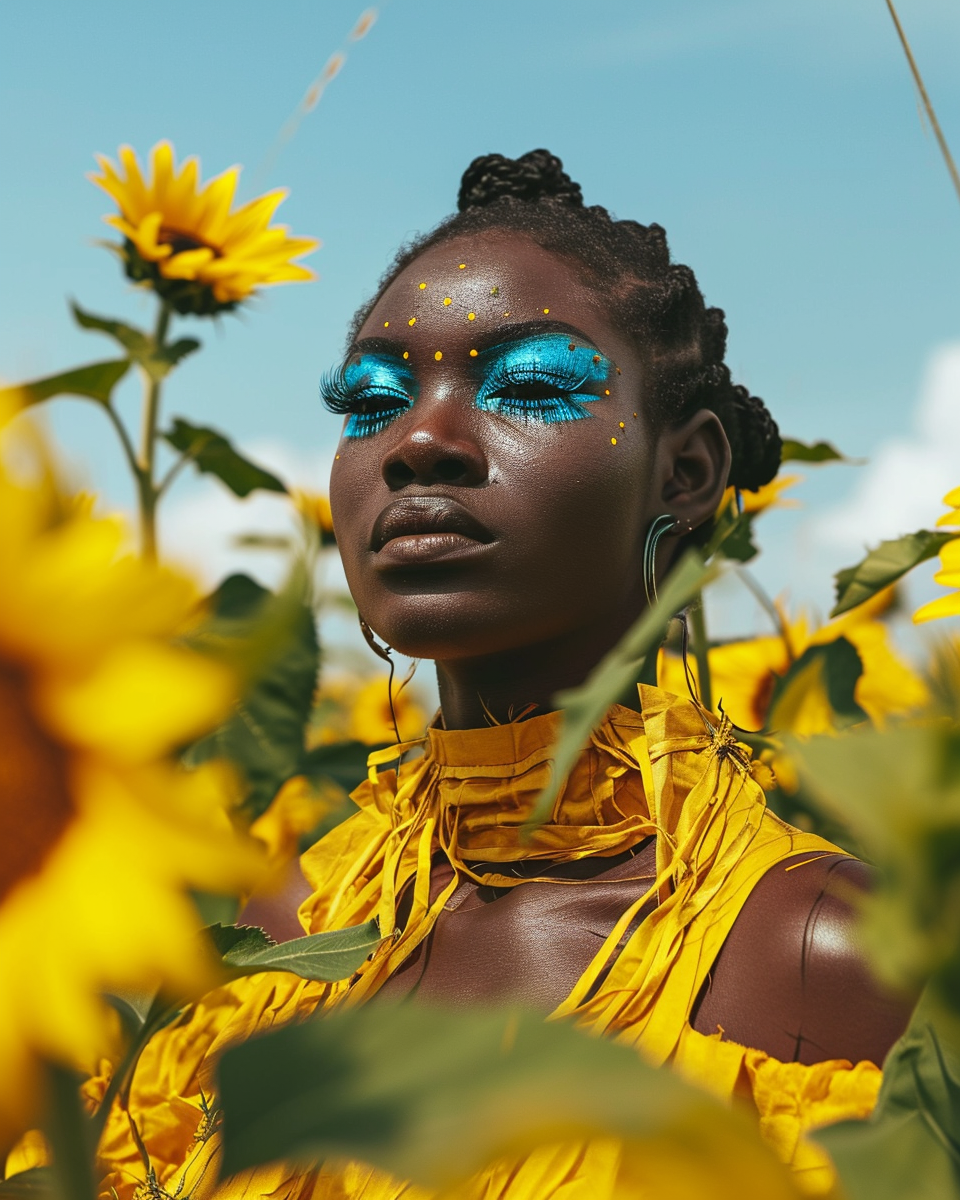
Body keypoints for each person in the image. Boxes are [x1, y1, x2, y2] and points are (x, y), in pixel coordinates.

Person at [98, 151, 913, 1198]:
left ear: (689, 471)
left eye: (527, 386)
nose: (420, 440)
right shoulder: (284, 936)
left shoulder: (817, 952)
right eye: (370, 402)